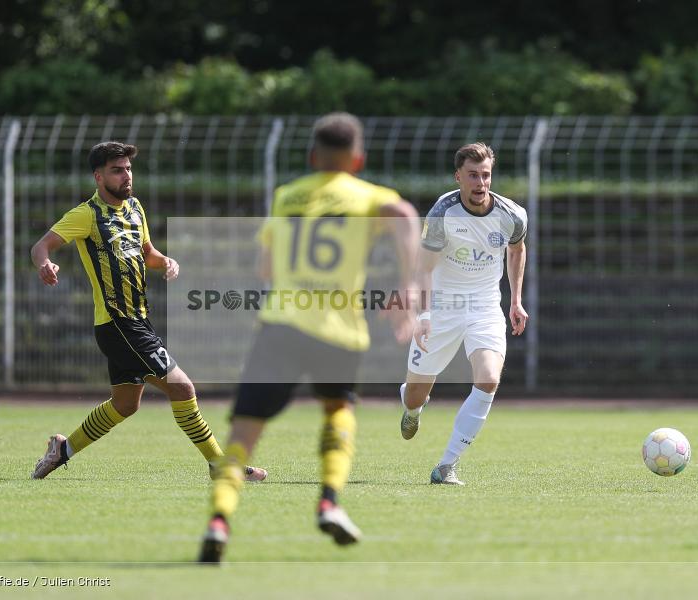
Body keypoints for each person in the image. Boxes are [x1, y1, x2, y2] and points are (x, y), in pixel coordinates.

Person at [198, 113, 420, 563]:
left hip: (280, 325)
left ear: (312, 156)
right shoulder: (367, 196)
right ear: (357, 159)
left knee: (243, 433)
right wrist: (409, 286)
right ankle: (329, 502)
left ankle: (219, 521)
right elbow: (405, 215)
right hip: (339, 330)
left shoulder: (287, 195)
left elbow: (264, 267)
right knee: (337, 409)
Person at [29, 141, 267, 483]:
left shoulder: (135, 208)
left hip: (137, 321)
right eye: (117, 170)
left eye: (128, 169)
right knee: (182, 388)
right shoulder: (87, 215)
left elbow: (147, 253)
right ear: (98, 177)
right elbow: (41, 246)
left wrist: (166, 261)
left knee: (125, 404)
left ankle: (62, 450)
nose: (126, 175)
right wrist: (45, 264)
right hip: (118, 324)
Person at [399, 142, 528, 485]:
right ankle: (412, 408)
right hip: (443, 306)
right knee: (415, 396)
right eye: (472, 175)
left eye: (485, 175)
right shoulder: (443, 213)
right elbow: (424, 268)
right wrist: (424, 316)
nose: (480, 183)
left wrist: (515, 300)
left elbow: (517, 250)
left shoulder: (512, 214)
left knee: (488, 379)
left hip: (485, 307)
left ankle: (447, 465)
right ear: (458, 177)